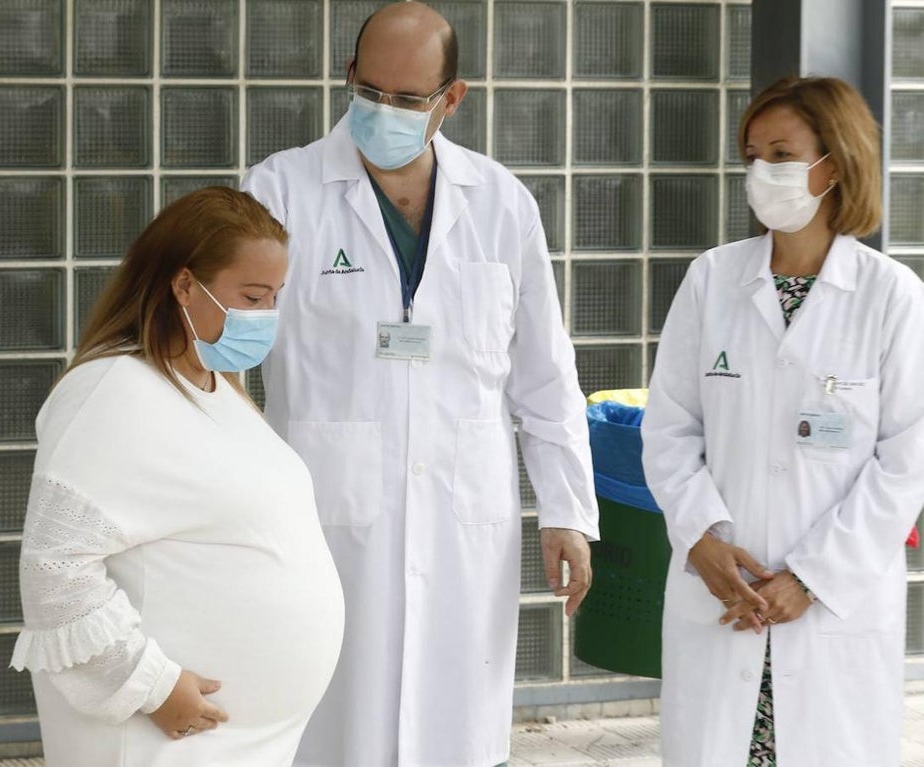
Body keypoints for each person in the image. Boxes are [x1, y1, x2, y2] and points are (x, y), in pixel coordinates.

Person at [242, 3, 598, 765]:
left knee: (454, 732)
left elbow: (544, 370)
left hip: (462, 523)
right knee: (328, 734)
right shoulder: (281, 192)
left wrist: (566, 509)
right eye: (369, 91)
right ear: (346, 79)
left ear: (452, 98)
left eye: (408, 100)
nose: (383, 112)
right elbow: (222, 348)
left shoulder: (502, 204)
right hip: (326, 524)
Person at [9, 187, 345, 766]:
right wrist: (151, 686)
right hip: (159, 735)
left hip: (236, 743)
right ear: (185, 285)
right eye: (252, 296)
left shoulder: (218, 387)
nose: (265, 317)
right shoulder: (112, 391)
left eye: (274, 299)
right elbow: (54, 568)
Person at [643, 76, 924, 767]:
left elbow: (906, 460)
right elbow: (669, 427)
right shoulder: (712, 280)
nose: (762, 173)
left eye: (781, 153)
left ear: (835, 161)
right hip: (722, 593)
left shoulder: (891, 297)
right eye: (752, 155)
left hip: (830, 607)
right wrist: (702, 537)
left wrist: (811, 576)